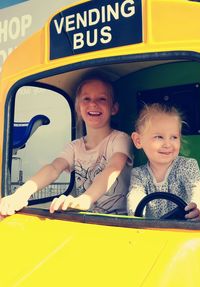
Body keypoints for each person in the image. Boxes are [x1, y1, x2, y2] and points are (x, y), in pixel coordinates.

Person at [0, 73, 133, 216]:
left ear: (114, 108)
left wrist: (85, 199)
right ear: (78, 108)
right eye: (86, 99)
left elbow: (112, 168)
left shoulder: (120, 139)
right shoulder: (74, 147)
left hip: (119, 221)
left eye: (102, 99)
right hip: (87, 220)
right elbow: (53, 168)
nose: (93, 103)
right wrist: (22, 193)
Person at [127, 103, 200, 221]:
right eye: (159, 137)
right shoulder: (139, 174)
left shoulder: (187, 166)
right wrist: (135, 215)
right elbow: (135, 196)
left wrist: (198, 207)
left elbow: (197, 187)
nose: (168, 144)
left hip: (183, 230)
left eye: (174, 137)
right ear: (138, 141)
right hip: (152, 233)